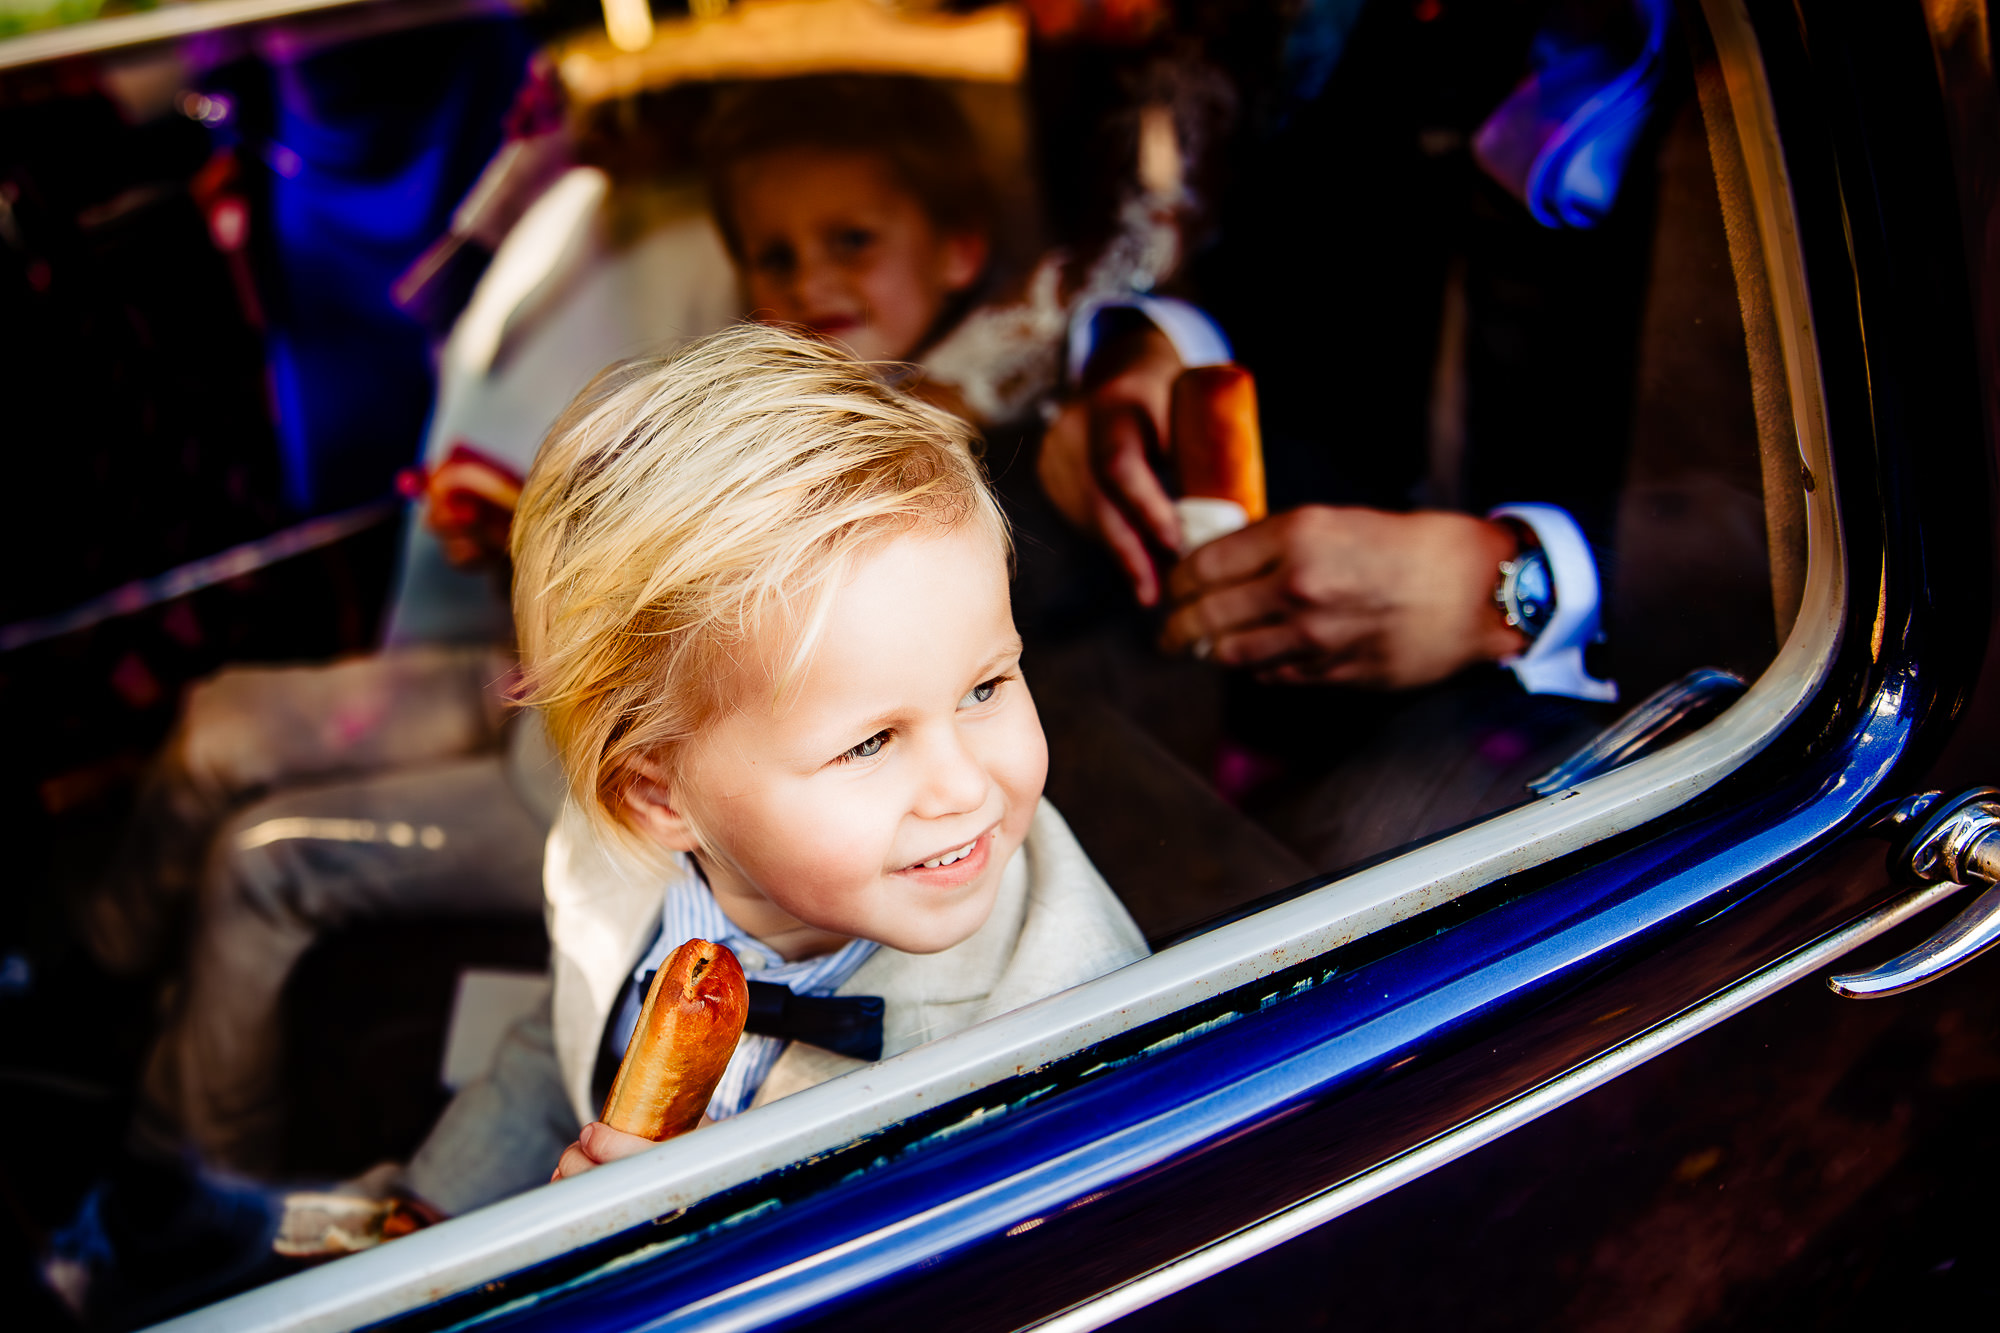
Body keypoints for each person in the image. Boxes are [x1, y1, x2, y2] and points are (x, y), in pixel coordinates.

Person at [103, 73, 1055, 1181]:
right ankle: (93, 981)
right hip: (560, 694)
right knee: (226, 719)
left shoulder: (964, 459)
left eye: (852, 240)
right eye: (776, 255)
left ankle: (184, 1185)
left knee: (264, 862)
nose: (812, 281)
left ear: (953, 247)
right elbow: (569, 1022)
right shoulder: (746, 396)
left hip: (607, 749)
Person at [398, 324, 1146, 1212]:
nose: (965, 786)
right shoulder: (606, 860)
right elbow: (561, 1035)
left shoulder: (1065, 1043)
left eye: (984, 686)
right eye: (869, 741)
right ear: (656, 797)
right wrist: (429, 1216)